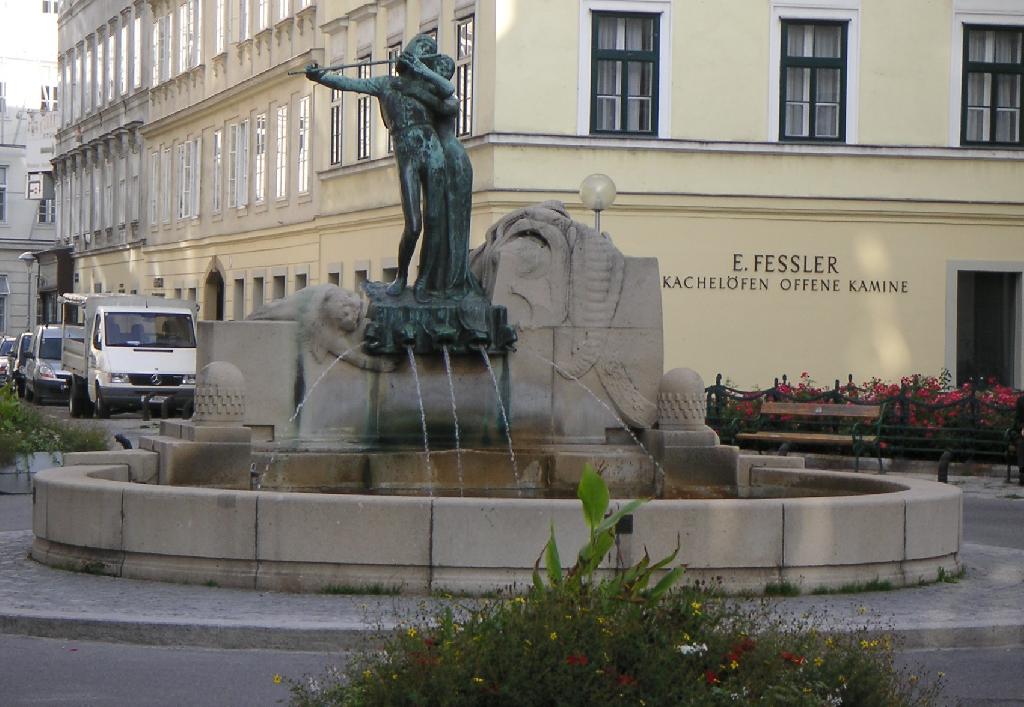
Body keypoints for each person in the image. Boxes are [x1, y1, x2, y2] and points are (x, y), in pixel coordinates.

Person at [304, 35, 455, 301]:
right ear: (410, 54)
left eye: (430, 51)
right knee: (414, 225)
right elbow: (351, 84)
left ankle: (423, 282)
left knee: (434, 220)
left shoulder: (428, 88)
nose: (427, 52)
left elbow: (449, 94)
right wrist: (321, 77)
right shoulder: (387, 84)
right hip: (406, 149)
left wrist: (423, 72)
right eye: (422, 49)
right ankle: (401, 276)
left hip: (432, 150)